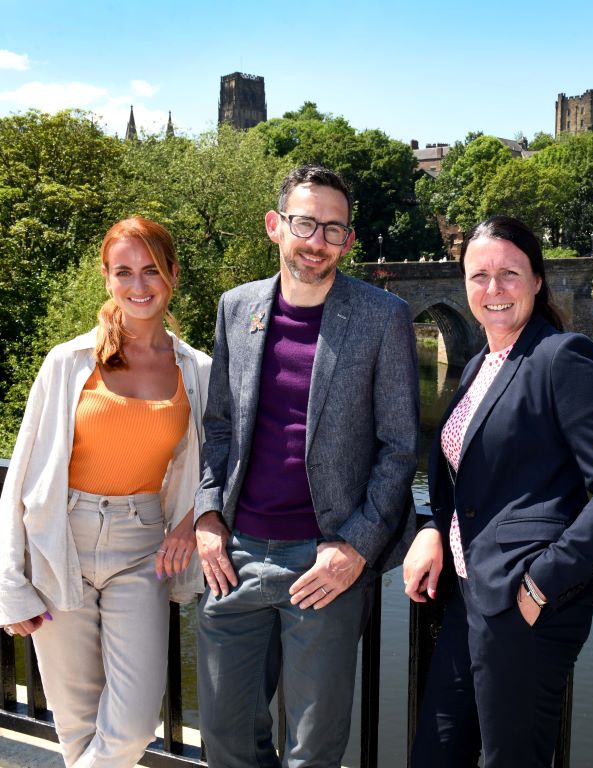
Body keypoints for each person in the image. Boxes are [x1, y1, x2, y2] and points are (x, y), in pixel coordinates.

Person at [194, 165, 419, 768]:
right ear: (276, 226)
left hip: (325, 561)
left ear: (348, 240)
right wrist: (208, 516)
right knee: (225, 738)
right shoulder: (236, 307)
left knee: (312, 751)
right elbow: (218, 427)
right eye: (304, 223)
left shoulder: (382, 317)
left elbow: (399, 447)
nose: (316, 241)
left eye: (333, 229)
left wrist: (356, 546)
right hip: (235, 555)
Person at [403, 216, 593, 767]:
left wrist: (543, 583)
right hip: (467, 599)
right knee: (434, 756)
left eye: (509, 274)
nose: (493, 289)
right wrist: (432, 530)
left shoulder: (563, 356)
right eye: (479, 275)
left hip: (522, 607)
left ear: (538, 280)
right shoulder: (476, 367)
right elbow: (464, 482)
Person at [0, 217, 211, 767]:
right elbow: (23, 477)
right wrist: (10, 586)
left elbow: (215, 468)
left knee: (133, 725)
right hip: (58, 541)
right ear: (107, 279)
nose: (139, 285)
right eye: (124, 271)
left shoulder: (198, 370)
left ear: (173, 276)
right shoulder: (68, 363)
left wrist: (189, 523)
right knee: (77, 725)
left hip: (142, 548)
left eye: (152, 270)